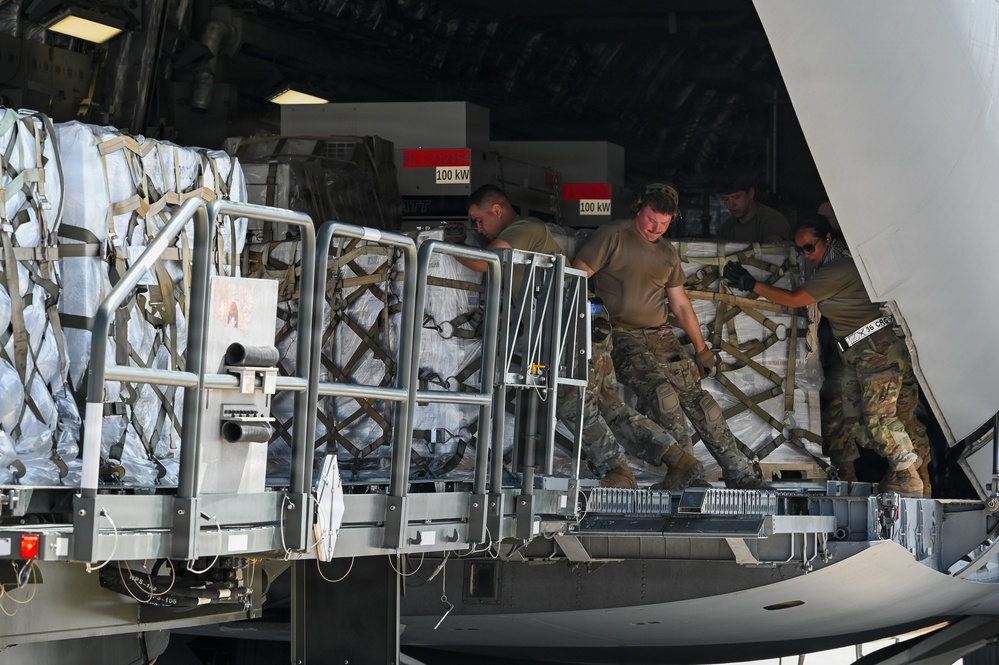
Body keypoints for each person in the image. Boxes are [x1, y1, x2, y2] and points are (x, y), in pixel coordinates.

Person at [458, 184, 704, 490]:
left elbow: (486, 261)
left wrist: (452, 243)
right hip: (582, 321)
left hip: (571, 322)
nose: (478, 229)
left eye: (479, 220)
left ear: (496, 210)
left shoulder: (525, 228)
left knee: (571, 402)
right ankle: (677, 458)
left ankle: (618, 469)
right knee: (608, 404)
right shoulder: (523, 235)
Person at [572, 183, 771, 490]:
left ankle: (741, 474)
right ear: (641, 209)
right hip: (620, 333)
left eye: (664, 224)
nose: (656, 228)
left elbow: (679, 304)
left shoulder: (666, 253)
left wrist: (701, 349)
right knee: (662, 394)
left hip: (660, 335)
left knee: (700, 401)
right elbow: (575, 278)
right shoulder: (613, 236)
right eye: (652, 220)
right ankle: (686, 472)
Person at [723, 215, 930, 497]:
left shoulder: (840, 268)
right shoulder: (834, 265)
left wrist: (752, 285)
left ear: (828, 240)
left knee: (878, 420)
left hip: (876, 352)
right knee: (866, 419)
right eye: (800, 250)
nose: (806, 255)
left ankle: (909, 476)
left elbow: (797, 299)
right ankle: (917, 471)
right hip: (865, 352)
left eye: (810, 247)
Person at [716, 171, 792, 242]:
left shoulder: (773, 221)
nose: (731, 204)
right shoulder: (725, 229)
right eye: (726, 199)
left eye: (736, 198)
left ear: (750, 193)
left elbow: (773, 251)